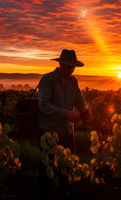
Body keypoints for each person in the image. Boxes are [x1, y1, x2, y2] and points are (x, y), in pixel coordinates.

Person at [38, 49, 91, 198]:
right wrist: (66, 113)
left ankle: (66, 193)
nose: (71, 69)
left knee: (67, 168)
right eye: (69, 65)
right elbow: (44, 105)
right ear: (60, 64)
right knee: (46, 170)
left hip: (68, 132)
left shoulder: (73, 81)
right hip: (49, 132)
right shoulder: (47, 80)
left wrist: (85, 109)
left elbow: (79, 100)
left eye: (73, 66)